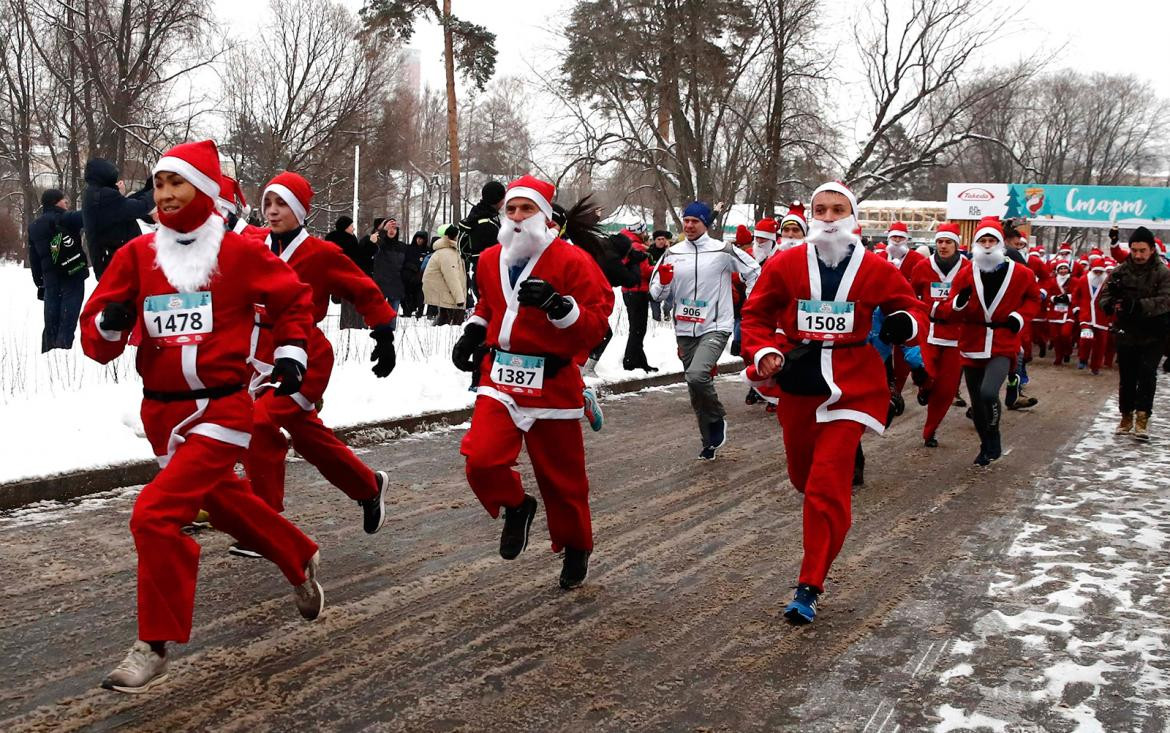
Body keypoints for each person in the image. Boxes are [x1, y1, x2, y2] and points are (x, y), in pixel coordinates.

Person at [80, 140, 324, 692]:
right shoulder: (136, 257)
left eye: (177, 182)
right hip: (162, 415)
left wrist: (291, 352)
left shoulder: (238, 253)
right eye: (159, 183)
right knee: (227, 502)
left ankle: (155, 643)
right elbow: (98, 342)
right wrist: (110, 322)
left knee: (153, 515)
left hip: (221, 408)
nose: (164, 194)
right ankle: (298, 554)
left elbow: (293, 300)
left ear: (206, 189)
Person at [741, 181, 926, 624]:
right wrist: (765, 351)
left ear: (852, 217)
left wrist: (903, 322)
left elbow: (912, 309)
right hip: (800, 382)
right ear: (810, 217)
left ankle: (809, 585)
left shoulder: (874, 266)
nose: (827, 218)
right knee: (804, 477)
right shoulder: (785, 264)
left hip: (853, 386)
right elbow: (755, 316)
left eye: (836, 209)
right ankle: (831, 515)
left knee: (825, 484)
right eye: (820, 210)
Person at [451, 175, 613, 589]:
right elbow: (489, 303)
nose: (519, 217)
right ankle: (516, 505)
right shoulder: (490, 259)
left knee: (562, 479)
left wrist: (560, 307)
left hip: (552, 380)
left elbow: (596, 325)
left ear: (545, 215)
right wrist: (473, 330)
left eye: (528, 209)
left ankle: (576, 546)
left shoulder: (574, 262)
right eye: (512, 209)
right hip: (501, 377)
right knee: (481, 459)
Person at [241, 172, 397, 551]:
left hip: (305, 356)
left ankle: (263, 520)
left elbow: (363, 288)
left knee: (259, 423)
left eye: (282, 205)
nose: (273, 212)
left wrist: (383, 333)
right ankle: (367, 485)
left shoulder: (321, 254)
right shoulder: (253, 244)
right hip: (256, 354)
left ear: (299, 211)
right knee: (307, 435)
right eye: (268, 204)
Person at [650, 201, 760, 460]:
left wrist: (751, 303)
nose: (689, 225)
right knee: (694, 385)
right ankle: (708, 441)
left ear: (705, 224)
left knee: (698, 376)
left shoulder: (723, 250)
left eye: (694, 221)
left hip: (716, 325)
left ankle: (717, 418)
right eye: (686, 221)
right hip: (685, 328)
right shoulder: (673, 253)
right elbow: (656, 293)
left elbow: (754, 271)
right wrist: (665, 283)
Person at [935, 217, 1041, 466]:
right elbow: (949, 309)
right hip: (972, 343)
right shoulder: (966, 273)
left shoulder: (1020, 273)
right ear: (975, 244)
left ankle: (994, 435)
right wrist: (959, 303)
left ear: (1000, 243)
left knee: (988, 392)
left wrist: (1019, 317)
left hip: (1003, 342)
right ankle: (986, 444)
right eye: (982, 240)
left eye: (991, 240)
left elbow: (1033, 300)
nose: (987, 245)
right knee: (977, 402)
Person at [1100, 227, 1170, 440]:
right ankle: (1126, 416)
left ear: (1151, 250)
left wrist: (1138, 306)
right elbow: (1105, 293)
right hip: (1126, 332)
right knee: (1127, 376)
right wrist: (1110, 304)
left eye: (1142, 250)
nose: (1138, 255)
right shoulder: (1120, 270)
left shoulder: (1163, 272)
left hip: (1154, 333)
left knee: (1147, 374)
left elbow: (1166, 300)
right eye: (1134, 250)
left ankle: (1142, 418)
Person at [909, 222, 970, 447]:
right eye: (940, 242)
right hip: (928, 330)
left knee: (946, 389)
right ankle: (924, 387)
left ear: (956, 245)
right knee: (925, 372)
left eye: (948, 242)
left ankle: (930, 431)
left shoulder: (968, 268)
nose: (943, 246)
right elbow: (911, 295)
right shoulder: (922, 267)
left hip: (955, 335)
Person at [28, 189, 88, 351]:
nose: (66, 204)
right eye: (64, 201)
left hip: (50, 280)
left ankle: (50, 351)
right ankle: (63, 350)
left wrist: (39, 282)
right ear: (56, 202)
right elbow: (90, 213)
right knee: (69, 315)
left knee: (51, 317)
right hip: (72, 274)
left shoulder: (34, 227)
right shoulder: (66, 218)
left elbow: (34, 258)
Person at [82, 158, 155, 278]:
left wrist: (147, 188)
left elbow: (125, 206)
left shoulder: (94, 193)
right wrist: (157, 191)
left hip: (110, 259)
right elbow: (139, 208)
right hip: (119, 260)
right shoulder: (103, 195)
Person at [457, 180, 506, 297]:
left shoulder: (479, 215)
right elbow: (493, 255)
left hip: (480, 274)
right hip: (488, 277)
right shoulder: (486, 224)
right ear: (497, 199)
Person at [621, 230, 656, 371]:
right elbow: (645, 271)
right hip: (638, 291)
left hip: (628, 291)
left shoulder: (626, 244)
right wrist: (658, 269)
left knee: (635, 327)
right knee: (638, 329)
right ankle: (629, 360)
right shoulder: (639, 247)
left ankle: (639, 360)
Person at [323, 216, 367, 330]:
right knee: (348, 300)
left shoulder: (350, 238)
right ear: (345, 227)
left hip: (348, 274)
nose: (353, 229)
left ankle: (353, 324)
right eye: (351, 226)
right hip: (342, 274)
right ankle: (349, 324)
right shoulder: (339, 239)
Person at [1072, 256, 1113, 375]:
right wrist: (1076, 308)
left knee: (1100, 344)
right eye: (1096, 271)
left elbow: (1112, 299)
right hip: (1086, 314)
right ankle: (1083, 359)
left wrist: (1111, 316)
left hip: (1102, 317)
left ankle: (1095, 367)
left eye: (1101, 271)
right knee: (1086, 338)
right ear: (1092, 270)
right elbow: (1075, 295)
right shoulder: (1084, 279)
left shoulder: (1108, 282)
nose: (1098, 273)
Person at [422, 224, 467, 325]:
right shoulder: (448, 254)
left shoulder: (449, 251)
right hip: (449, 297)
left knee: (444, 322)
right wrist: (460, 299)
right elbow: (452, 277)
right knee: (448, 325)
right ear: (454, 236)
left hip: (447, 295)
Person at [371, 217, 408, 318]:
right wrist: (383, 230)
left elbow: (406, 265)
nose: (392, 231)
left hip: (396, 286)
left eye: (394, 228)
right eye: (389, 228)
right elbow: (376, 242)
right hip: (380, 285)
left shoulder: (402, 247)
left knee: (391, 320)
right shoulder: (380, 244)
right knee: (378, 318)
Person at [1044, 259, 1078, 365]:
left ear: (1068, 269)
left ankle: (1067, 352)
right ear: (1057, 270)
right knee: (1056, 337)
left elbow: (1078, 294)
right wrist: (1054, 298)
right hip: (1055, 312)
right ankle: (1058, 357)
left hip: (1068, 312)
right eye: (1061, 268)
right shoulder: (1052, 281)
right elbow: (1047, 294)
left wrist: (1068, 297)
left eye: (1065, 268)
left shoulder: (1074, 281)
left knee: (1065, 334)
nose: (1063, 270)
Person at [403, 229, 431, 317]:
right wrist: (411, 266)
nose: (419, 240)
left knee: (420, 296)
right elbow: (403, 261)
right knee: (407, 295)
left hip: (422, 277)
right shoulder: (409, 248)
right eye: (417, 238)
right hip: (409, 276)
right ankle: (407, 311)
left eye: (421, 239)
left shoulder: (428, 250)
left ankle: (420, 311)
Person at [648, 229, 674, 321]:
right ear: (654, 240)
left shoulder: (670, 251)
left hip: (669, 281)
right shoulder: (650, 252)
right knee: (655, 306)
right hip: (655, 282)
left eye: (663, 239)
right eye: (659, 239)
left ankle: (667, 312)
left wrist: (668, 249)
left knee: (669, 303)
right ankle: (657, 320)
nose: (661, 241)